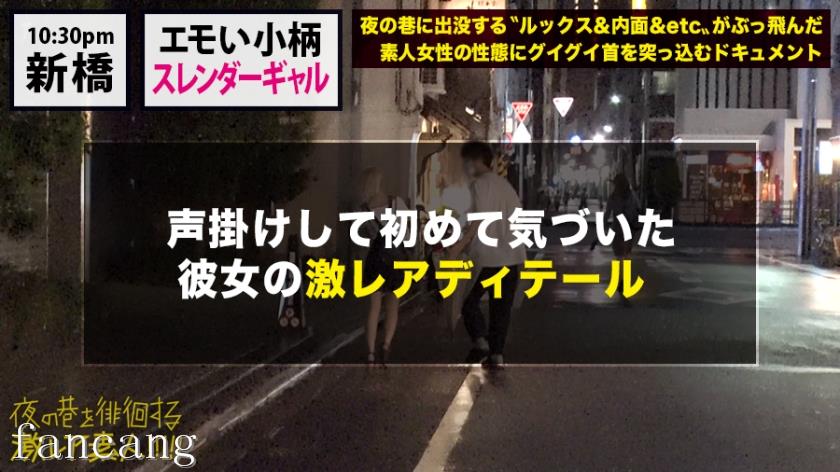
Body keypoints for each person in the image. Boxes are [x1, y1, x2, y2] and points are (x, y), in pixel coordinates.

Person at [449, 142, 526, 370]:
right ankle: (497, 355)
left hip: (488, 257)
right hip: (512, 256)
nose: (464, 167)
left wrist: (459, 247)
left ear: (474, 161)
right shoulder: (506, 186)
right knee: (501, 309)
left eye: (465, 161)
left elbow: (479, 220)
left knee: (468, 303)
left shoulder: (479, 185)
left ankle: (481, 343)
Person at [359, 167, 408, 366]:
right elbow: (407, 233)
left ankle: (370, 353)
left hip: (374, 260)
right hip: (395, 260)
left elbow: (362, 238)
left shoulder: (363, 209)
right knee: (393, 307)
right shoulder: (396, 202)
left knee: (373, 308)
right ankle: (386, 345)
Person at [604, 173, 640, 261]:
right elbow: (638, 209)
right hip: (629, 227)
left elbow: (608, 213)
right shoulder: (632, 196)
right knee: (626, 253)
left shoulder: (613, 197)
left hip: (619, 227)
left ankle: (619, 268)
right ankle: (624, 268)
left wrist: (603, 224)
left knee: (618, 253)